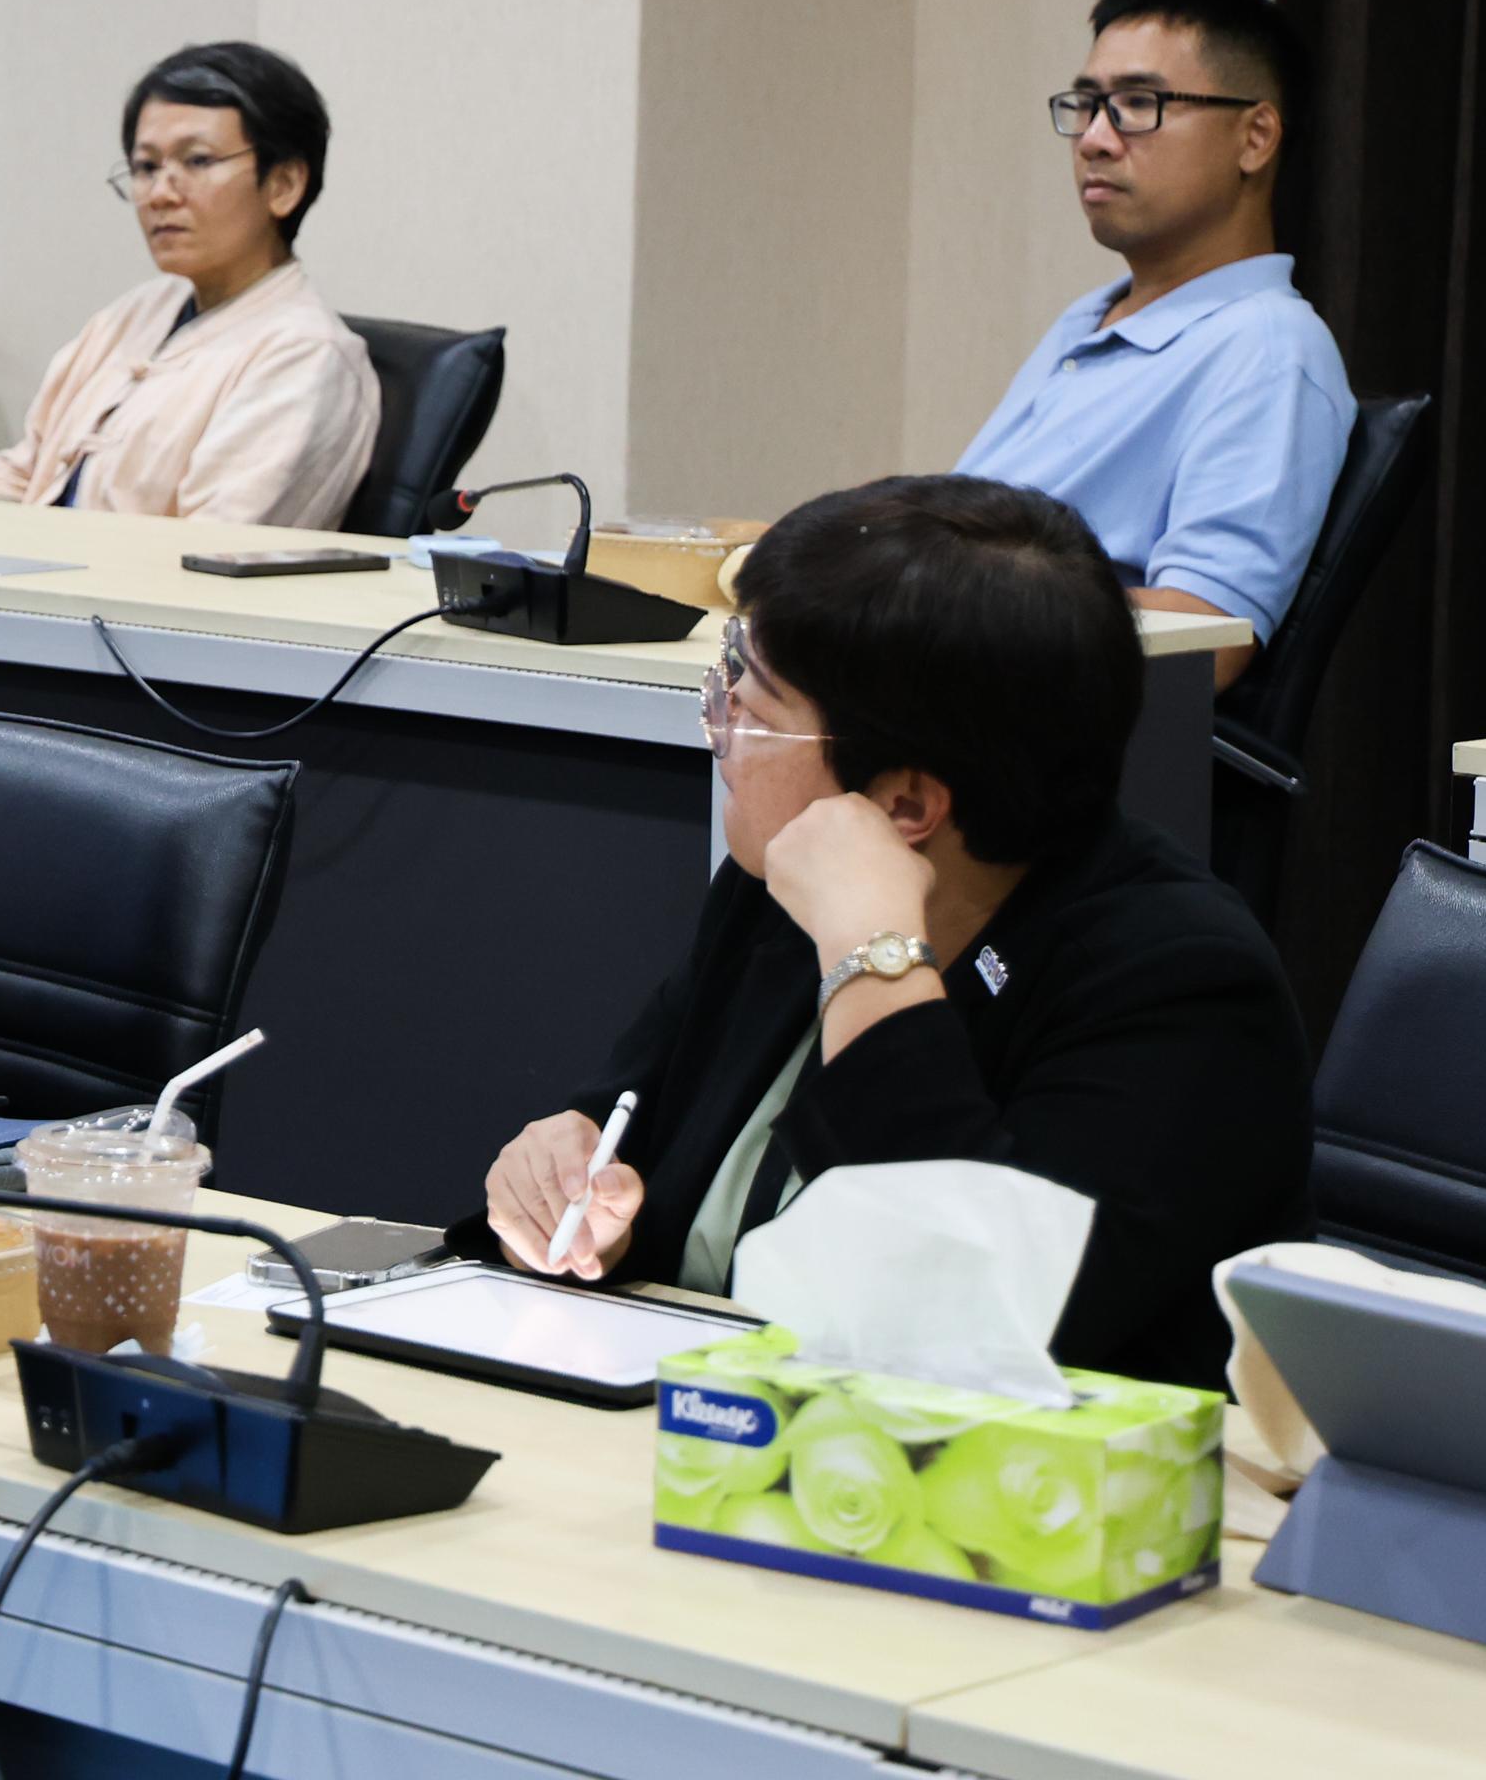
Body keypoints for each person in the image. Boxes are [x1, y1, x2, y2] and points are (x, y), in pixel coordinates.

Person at [476, 475, 1313, 1392]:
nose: (720, 724)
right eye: (729, 676)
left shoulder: (1179, 986)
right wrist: (568, 1201)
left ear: (905, 805)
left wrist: (872, 955)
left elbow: (960, 1329)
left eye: (755, 708)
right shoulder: (772, 892)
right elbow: (624, 1143)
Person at [957, 0, 1354, 687]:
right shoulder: (1091, 317)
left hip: (1016, 727)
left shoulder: (1267, 350)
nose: (1094, 140)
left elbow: (1206, 633)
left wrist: (938, 597)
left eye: (1138, 104)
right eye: (1087, 105)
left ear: (1255, 137)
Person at [0, 41, 380, 528]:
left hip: (123, 580)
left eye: (198, 161)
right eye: (146, 167)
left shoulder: (305, 357)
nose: (160, 194)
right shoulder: (138, 312)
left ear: (284, 184)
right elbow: (20, 471)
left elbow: (211, 551)